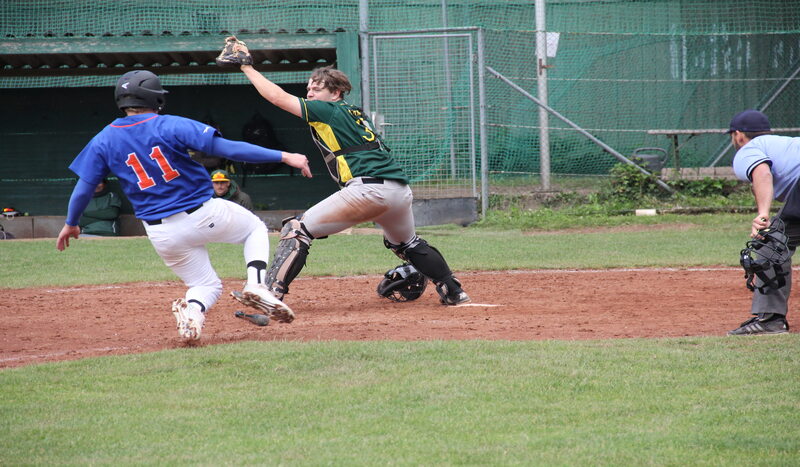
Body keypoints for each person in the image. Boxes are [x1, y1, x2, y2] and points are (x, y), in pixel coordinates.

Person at [56, 70, 312, 341]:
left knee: (204, 284)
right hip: (201, 213)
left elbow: (84, 186)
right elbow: (228, 149)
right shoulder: (170, 125)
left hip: (160, 233)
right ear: (156, 99)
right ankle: (257, 286)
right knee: (254, 229)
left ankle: (193, 314)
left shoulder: (104, 138)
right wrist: (284, 155)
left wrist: (71, 223)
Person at [218, 36, 469, 307]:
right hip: (398, 191)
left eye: (317, 89)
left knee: (296, 228)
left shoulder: (330, 110)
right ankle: (453, 290)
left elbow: (277, 98)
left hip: (369, 190)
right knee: (407, 243)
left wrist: (247, 68)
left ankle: (270, 295)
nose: (310, 94)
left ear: (336, 93)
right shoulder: (354, 112)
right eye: (309, 88)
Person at [729, 109, 797, 335]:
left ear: (738, 135)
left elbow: (761, 172)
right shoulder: (784, 143)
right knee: (780, 237)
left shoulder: (748, 149)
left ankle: (770, 320)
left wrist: (763, 214)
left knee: (772, 241)